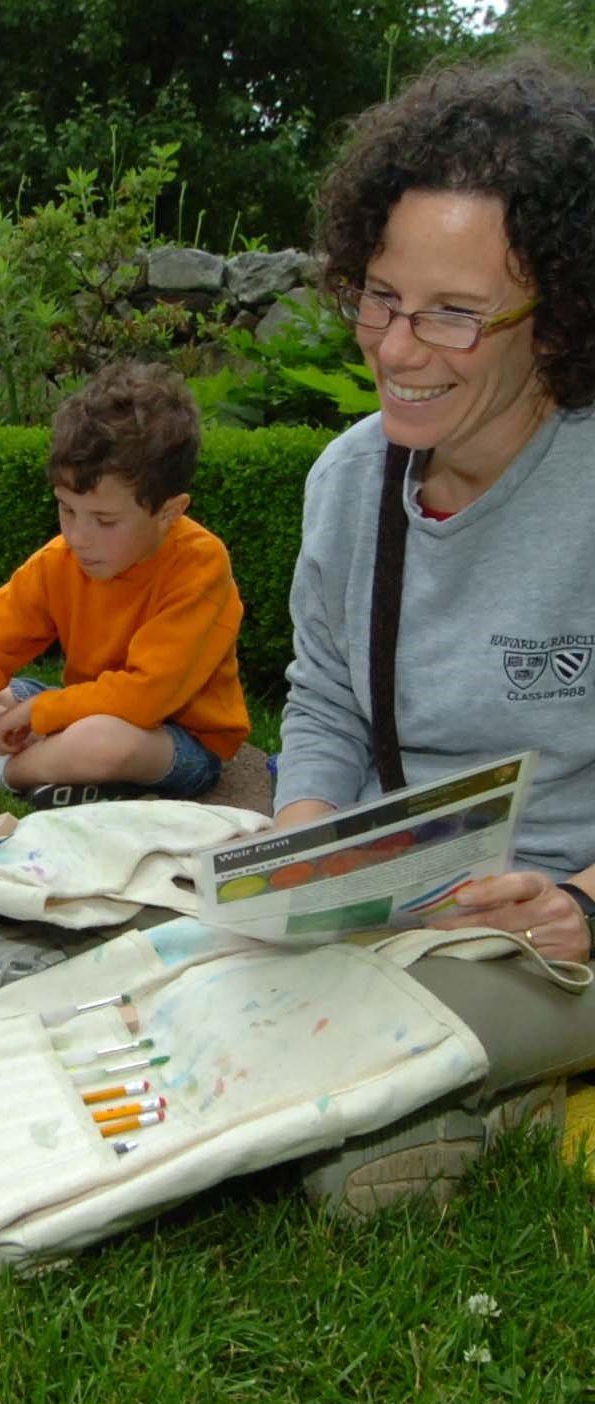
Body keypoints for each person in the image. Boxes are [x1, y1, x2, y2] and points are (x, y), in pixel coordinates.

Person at [273, 53, 595, 1211]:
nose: (398, 348)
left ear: (554, 320)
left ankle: (469, 1084)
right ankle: (477, 1087)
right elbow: (323, 704)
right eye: (380, 297)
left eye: (455, 314)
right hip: (394, 898)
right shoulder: (348, 483)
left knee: (327, 1128)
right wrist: (302, 849)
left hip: (558, 926)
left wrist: (583, 904)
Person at [0, 361, 248, 811]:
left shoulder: (200, 566)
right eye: (67, 510)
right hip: (74, 712)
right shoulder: (58, 561)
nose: (78, 537)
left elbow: (146, 696)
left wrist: (40, 714)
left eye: (105, 521)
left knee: (103, 741)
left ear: (168, 512)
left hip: (175, 736)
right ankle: (48, 762)